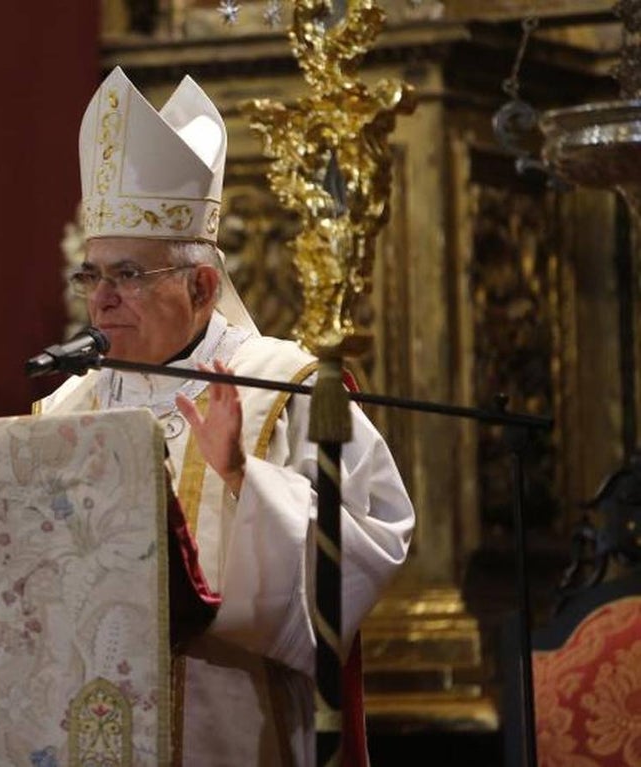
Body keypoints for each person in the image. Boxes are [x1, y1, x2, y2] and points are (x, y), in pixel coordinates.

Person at [35, 67, 415, 765]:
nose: (102, 298)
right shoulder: (65, 407)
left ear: (203, 286)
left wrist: (244, 475)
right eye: (92, 275)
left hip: (235, 726)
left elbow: (370, 551)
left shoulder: (283, 386)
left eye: (128, 274)